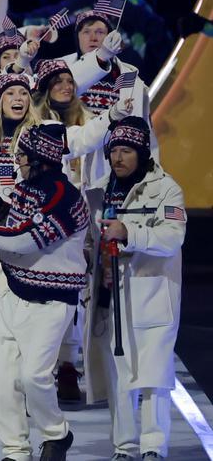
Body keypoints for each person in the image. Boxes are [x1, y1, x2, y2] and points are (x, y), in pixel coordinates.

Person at [0, 122, 91, 461]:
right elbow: (17, 224)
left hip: (51, 301)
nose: (17, 160)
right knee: (4, 378)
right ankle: (15, 450)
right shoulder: (28, 188)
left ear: (40, 158)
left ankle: (57, 434)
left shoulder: (63, 196)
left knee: (33, 376)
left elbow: (24, 241)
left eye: (23, 154)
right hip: (14, 294)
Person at [83, 117, 186, 461]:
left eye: (126, 150)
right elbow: (88, 241)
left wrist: (129, 233)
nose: (118, 158)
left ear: (141, 152)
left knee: (154, 376)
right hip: (112, 298)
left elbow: (172, 238)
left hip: (153, 295)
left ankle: (154, 446)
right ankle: (124, 447)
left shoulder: (166, 189)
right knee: (119, 378)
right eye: (113, 150)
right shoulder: (97, 190)